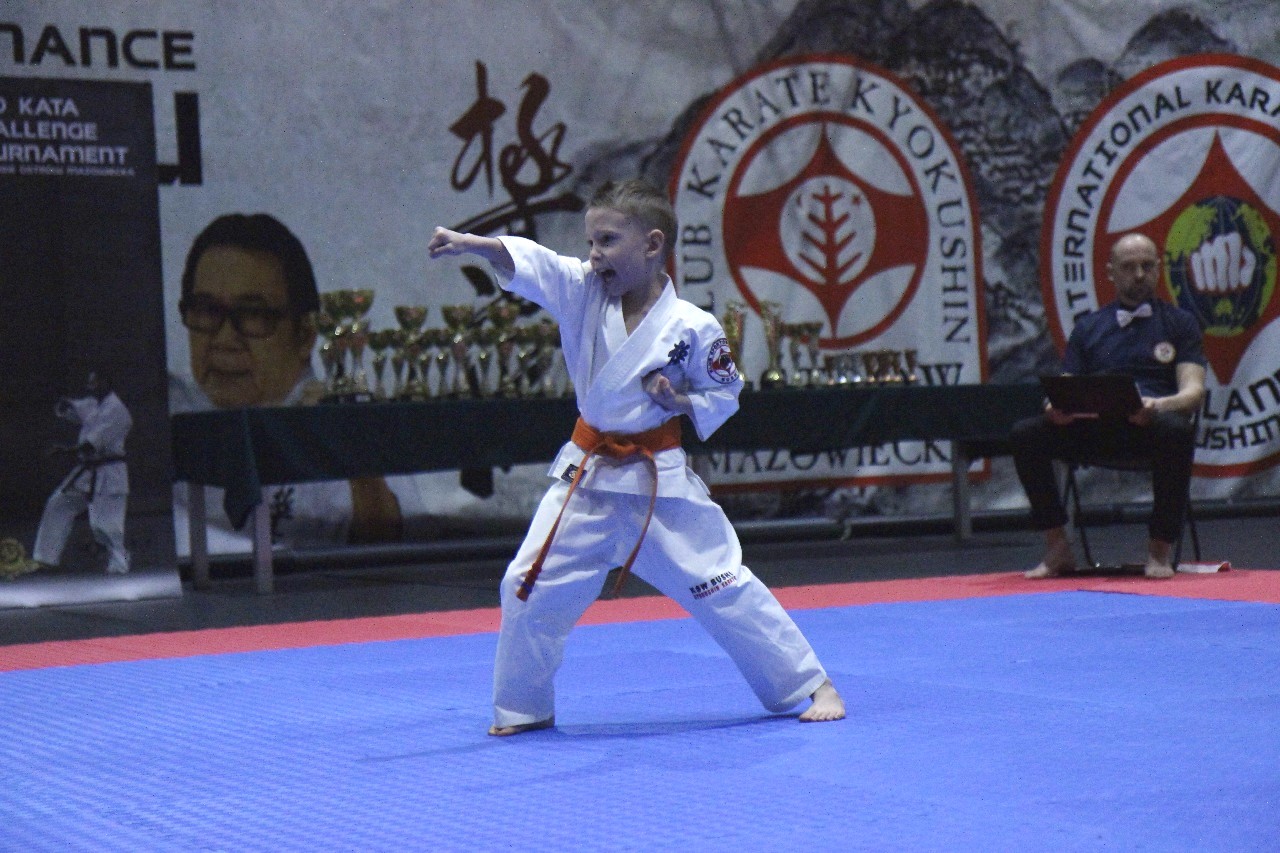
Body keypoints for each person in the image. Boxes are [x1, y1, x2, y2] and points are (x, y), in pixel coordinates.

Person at [427, 179, 845, 735]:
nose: (594, 254)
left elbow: (725, 394)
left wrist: (681, 402)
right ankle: (524, 707)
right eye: (590, 241)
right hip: (588, 476)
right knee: (528, 583)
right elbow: (537, 262)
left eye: (607, 240)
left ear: (651, 245)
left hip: (657, 485)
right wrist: (476, 246)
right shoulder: (581, 291)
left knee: (719, 582)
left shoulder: (693, 325)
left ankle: (809, 682)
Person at [171, 213, 405, 546]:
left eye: (253, 314)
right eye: (207, 311)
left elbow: (390, 545)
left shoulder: (337, 425)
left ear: (305, 335)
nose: (224, 339)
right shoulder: (170, 413)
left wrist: (357, 465)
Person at [1011, 232, 1207, 579]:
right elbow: (1066, 384)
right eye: (1129, 267)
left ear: (1158, 269)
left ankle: (1159, 549)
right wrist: (1053, 407)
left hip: (1148, 428)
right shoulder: (1088, 327)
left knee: (1177, 431)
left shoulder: (1180, 323)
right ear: (1110, 273)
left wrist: (1159, 404)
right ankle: (1057, 546)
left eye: (1147, 266)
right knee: (1026, 433)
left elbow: (1193, 393)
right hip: (1092, 428)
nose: (1139, 275)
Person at [32, 369, 132, 574]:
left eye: (94, 383)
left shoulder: (117, 411)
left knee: (105, 526)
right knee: (58, 504)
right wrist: (62, 402)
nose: (90, 387)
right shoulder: (94, 404)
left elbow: (89, 446)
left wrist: (64, 450)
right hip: (87, 472)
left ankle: (119, 562)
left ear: (105, 382)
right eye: (89, 383)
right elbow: (74, 409)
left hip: (109, 473)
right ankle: (46, 559)